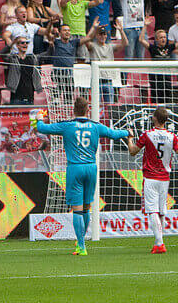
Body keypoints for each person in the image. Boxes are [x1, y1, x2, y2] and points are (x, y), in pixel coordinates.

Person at [33, 97, 132, 256]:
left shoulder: (67, 126)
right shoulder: (96, 126)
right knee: (87, 207)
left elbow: (43, 129)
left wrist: (38, 119)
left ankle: (81, 245)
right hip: (91, 168)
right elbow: (114, 134)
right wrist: (128, 132)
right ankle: (82, 239)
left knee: (77, 209)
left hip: (75, 168)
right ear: (88, 110)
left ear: (73, 110)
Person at [128, 106, 178, 253]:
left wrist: (129, 139)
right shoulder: (172, 136)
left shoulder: (147, 134)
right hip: (165, 178)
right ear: (166, 120)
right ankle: (158, 242)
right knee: (160, 211)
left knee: (152, 210)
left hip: (150, 177)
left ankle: (160, 243)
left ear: (154, 118)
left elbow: (133, 151)